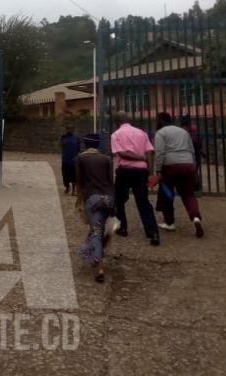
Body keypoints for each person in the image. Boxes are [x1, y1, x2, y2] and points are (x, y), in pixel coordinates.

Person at [110, 112, 159, 245]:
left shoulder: (116, 135)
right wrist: (150, 172)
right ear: (128, 120)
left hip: (125, 171)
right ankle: (153, 232)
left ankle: (122, 228)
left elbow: (122, 154)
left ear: (116, 122)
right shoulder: (141, 133)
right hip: (141, 171)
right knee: (143, 202)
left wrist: (139, 158)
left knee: (119, 200)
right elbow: (149, 152)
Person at [154, 112, 203, 238]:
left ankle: (169, 222)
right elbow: (192, 151)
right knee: (188, 194)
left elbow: (160, 153)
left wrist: (158, 170)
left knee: (167, 193)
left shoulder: (161, 133)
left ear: (160, 121)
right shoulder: (184, 132)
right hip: (187, 164)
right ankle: (196, 218)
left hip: (170, 165)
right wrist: (194, 168)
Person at [75, 133, 115, 283]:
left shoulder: (81, 158)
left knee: (96, 232)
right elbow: (110, 182)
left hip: (93, 198)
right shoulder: (106, 159)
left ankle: (99, 266)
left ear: (85, 144)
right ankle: (91, 254)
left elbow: (79, 181)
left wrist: (80, 200)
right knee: (98, 229)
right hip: (108, 199)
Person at [179, 114, 204, 191]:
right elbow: (201, 139)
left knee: (192, 168)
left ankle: (194, 186)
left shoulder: (192, 129)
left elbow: (200, 139)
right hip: (192, 149)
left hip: (192, 148)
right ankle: (193, 186)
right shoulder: (192, 128)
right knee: (192, 168)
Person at [60, 123, 80, 195]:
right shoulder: (63, 137)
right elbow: (62, 146)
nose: (70, 130)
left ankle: (74, 190)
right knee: (65, 175)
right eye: (68, 129)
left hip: (74, 160)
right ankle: (67, 187)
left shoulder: (76, 138)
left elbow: (78, 148)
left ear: (74, 130)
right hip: (65, 159)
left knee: (74, 176)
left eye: (71, 129)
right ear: (66, 129)